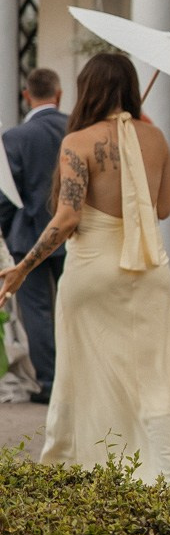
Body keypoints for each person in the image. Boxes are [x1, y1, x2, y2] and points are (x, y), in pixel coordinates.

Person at [0, 53, 170, 484]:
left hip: (93, 270)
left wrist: (23, 268)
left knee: (85, 374)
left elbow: (67, 218)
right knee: (152, 374)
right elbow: (161, 209)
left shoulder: (79, 141)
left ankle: (88, 470)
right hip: (147, 271)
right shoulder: (157, 138)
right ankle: (161, 471)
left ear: (88, 89)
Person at [0, 67, 67, 404]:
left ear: (27, 95)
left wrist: (5, 231)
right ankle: (76, 378)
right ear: (59, 94)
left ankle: (49, 381)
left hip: (29, 236)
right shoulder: (78, 129)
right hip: (74, 234)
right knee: (72, 309)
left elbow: (7, 195)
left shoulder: (16, 138)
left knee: (38, 311)